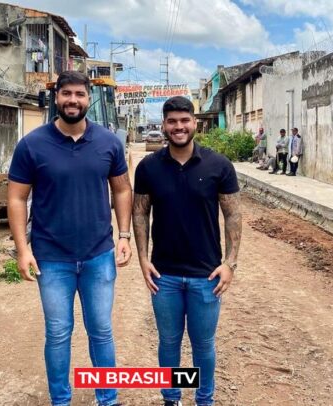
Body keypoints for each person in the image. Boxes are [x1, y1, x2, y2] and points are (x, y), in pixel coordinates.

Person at [7, 71, 132, 406]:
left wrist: (124, 235)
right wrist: (22, 250)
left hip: (98, 256)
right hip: (52, 258)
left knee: (101, 332)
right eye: (66, 94)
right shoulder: (32, 145)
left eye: (79, 94)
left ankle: (108, 399)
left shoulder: (108, 142)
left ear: (88, 99)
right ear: (56, 98)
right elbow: (17, 198)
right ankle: (60, 400)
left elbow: (121, 190)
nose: (73, 100)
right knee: (58, 334)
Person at [133, 96, 242, 406]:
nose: (178, 127)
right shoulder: (149, 167)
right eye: (172, 121)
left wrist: (230, 264)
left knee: (203, 344)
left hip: (206, 275)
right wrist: (143, 258)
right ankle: (172, 397)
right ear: (164, 125)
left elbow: (233, 214)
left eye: (184, 120)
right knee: (168, 343)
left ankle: (204, 399)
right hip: (163, 275)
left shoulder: (218, 165)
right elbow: (140, 213)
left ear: (194, 123)